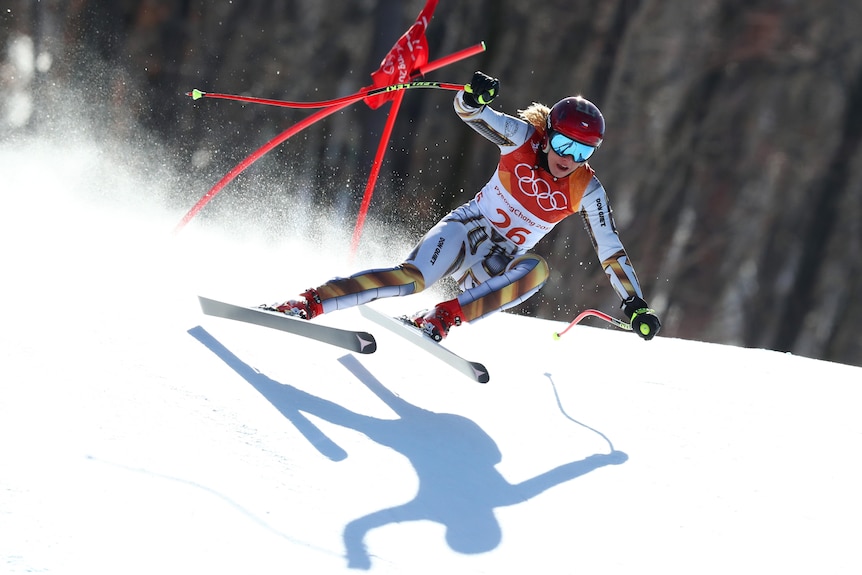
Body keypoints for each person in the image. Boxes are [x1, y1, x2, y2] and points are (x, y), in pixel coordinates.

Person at [272, 71, 661, 342]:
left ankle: (443, 316)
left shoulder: (586, 189)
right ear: (548, 135)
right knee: (412, 280)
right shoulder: (522, 137)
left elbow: (611, 250)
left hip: (495, 264)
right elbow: (472, 113)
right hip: (466, 231)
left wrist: (634, 303)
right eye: (563, 144)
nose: (568, 158)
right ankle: (310, 302)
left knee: (537, 269)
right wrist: (472, 97)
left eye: (582, 151)